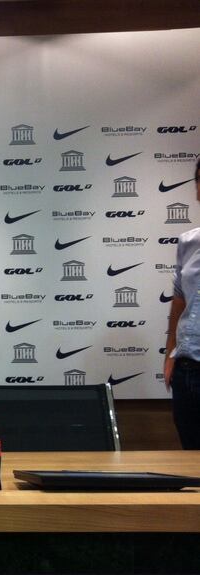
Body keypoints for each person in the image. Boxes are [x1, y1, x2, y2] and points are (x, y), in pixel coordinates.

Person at [164, 158, 200, 449]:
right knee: (191, 456)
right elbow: (179, 301)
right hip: (187, 369)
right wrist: (169, 355)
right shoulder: (188, 241)